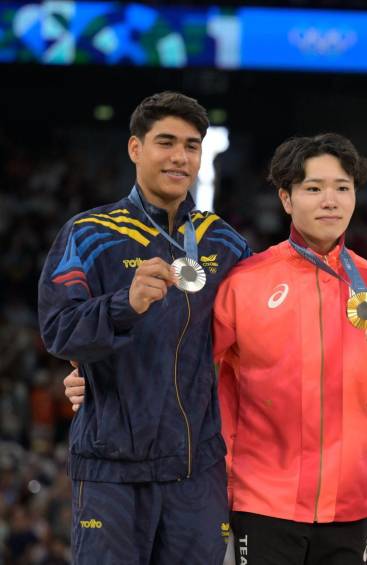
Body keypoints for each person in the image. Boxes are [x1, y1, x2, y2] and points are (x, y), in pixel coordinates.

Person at [38, 92, 251, 564]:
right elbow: (57, 330)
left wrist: (359, 275)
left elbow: (272, 316)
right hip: (111, 471)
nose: (180, 157)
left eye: (192, 146)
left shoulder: (226, 243)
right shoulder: (88, 234)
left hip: (197, 473)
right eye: (166, 142)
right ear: (136, 148)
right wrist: (124, 305)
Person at [212, 133, 367, 565]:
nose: (330, 200)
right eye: (314, 188)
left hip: (348, 506)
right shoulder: (245, 281)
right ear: (286, 198)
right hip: (261, 503)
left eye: (342, 188)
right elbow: (195, 369)